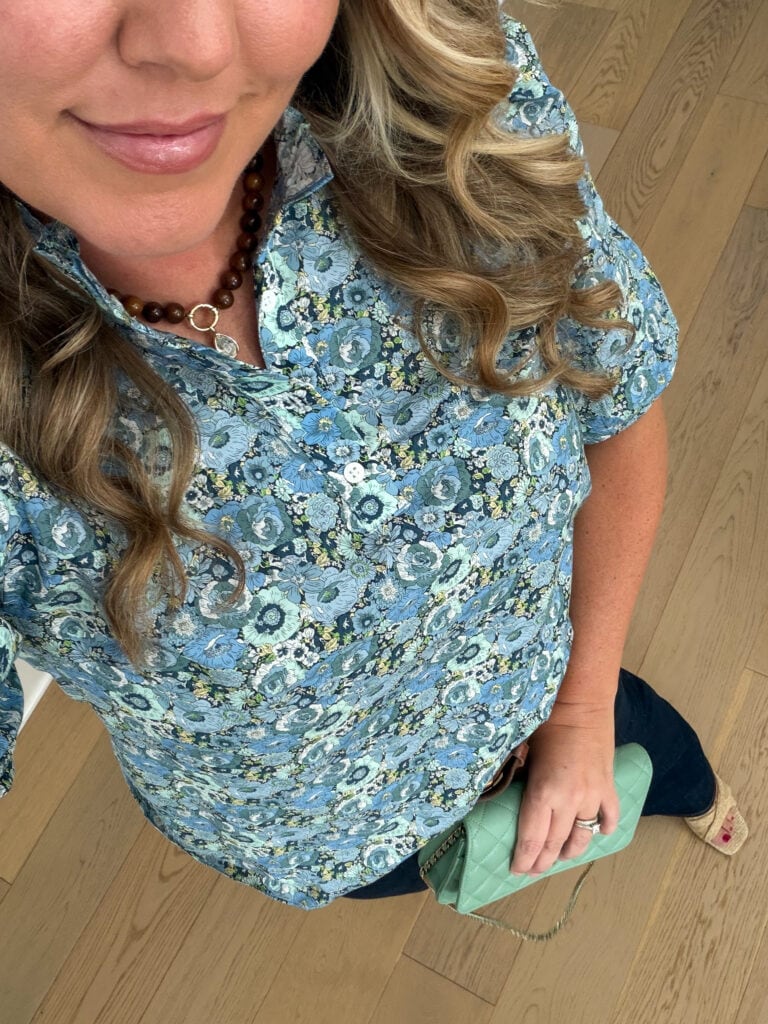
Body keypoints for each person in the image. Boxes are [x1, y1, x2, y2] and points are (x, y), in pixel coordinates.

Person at [0, 0, 747, 913]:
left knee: (665, 762)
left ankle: (694, 792)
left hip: (566, 686)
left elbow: (617, 401)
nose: (193, 44)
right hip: (341, 837)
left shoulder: (454, 114)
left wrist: (586, 713)